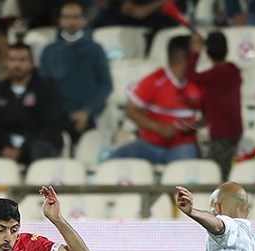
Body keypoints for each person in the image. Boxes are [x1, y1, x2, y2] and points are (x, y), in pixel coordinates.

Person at [108, 34, 203, 165]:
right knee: (113, 160)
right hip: (149, 145)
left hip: (183, 145)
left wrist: (196, 125)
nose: (198, 58)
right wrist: (159, 128)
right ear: (183, 57)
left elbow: (209, 115)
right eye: (195, 54)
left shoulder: (198, 82)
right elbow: (131, 111)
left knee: (184, 171)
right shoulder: (155, 80)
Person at [0, 42, 64, 165]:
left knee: (38, 149)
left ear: (32, 63)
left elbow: (49, 126)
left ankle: (41, 184)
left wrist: (22, 149)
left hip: (37, 142)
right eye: (12, 60)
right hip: (8, 144)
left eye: (22, 60)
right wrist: (5, 146)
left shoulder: (46, 88)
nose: (16, 65)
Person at [39, 1, 112, 146]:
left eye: (75, 17)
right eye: (66, 17)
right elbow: (42, 86)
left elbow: (106, 85)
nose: (71, 22)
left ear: (83, 20)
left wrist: (86, 111)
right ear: (60, 21)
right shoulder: (49, 51)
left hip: (87, 116)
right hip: (55, 118)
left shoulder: (95, 50)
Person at [185, 31, 242, 181]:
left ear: (208, 53)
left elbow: (189, 75)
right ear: (227, 50)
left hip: (220, 132)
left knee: (216, 173)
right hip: (236, 129)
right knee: (228, 169)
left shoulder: (210, 76)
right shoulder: (233, 71)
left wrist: (196, 52)